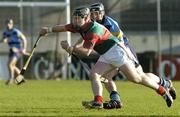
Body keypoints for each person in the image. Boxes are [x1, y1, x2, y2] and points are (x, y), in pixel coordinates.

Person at [39, 6, 175, 109]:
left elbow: (86, 52)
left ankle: (163, 90)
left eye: (77, 18)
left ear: (86, 19)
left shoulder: (94, 31)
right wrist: (48, 30)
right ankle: (98, 101)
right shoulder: (78, 25)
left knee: (136, 78)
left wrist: (69, 48)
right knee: (94, 75)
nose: (74, 21)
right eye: (74, 18)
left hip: (117, 52)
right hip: (106, 54)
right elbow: (63, 27)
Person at [89, 3, 176, 109]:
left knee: (139, 76)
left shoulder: (110, 24)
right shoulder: (93, 24)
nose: (94, 16)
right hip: (112, 53)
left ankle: (165, 84)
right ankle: (115, 100)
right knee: (105, 77)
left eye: (96, 13)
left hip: (124, 50)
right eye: (92, 14)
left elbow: (119, 42)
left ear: (102, 13)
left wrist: (126, 55)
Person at [1, 19, 28, 85]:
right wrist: (3, 40)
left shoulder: (15, 31)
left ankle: (11, 79)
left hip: (18, 50)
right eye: (7, 23)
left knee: (10, 64)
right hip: (12, 50)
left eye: (9, 23)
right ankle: (21, 78)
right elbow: (3, 39)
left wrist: (24, 49)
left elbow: (24, 39)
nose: (8, 24)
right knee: (12, 65)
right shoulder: (5, 33)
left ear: (12, 24)